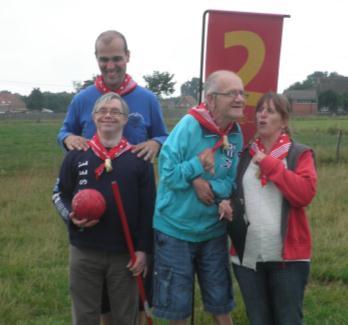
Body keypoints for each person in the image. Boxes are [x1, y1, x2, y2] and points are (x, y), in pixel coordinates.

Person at [57, 30, 168, 324]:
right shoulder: (82, 99)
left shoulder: (147, 98)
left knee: (131, 299)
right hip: (91, 224)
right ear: (97, 59)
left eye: (117, 59)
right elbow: (65, 131)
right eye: (104, 60)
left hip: (131, 216)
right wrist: (68, 139)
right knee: (95, 304)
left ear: (128, 57)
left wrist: (156, 143)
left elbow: (163, 135)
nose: (110, 66)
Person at [52, 92, 156, 325]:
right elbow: (58, 194)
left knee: (125, 317)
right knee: (85, 316)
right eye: (102, 111)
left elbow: (148, 209)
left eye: (115, 111)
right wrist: (71, 216)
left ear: (125, 119)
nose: (108, 115)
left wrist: (143, 251)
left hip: (125, 256)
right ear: (93, 117)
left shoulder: (139, 159)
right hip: (84, 252)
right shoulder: (76, 155)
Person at [152, 70, 246, 325]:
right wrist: (195, 169)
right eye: (232, 94)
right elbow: (167, 174)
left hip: (212, 231)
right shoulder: (188, 126)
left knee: (221, 301)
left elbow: (231, 180)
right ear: (212, 99)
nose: (240, 99)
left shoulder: (235, 134)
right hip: (175, 230)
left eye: (241, 93)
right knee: (177, 306)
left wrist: (210, 188)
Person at [224, 92, 317, 325]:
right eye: (260, 110)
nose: (262, 114)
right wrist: (227, 202)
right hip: (249, 257)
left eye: (270, 111)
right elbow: (235, 192)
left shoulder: (299, 154)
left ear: (284, 121)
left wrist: (268, 163)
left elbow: (303, 194)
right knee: (258, 320)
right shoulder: (245, 154)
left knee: (288, 320)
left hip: (287, 259)